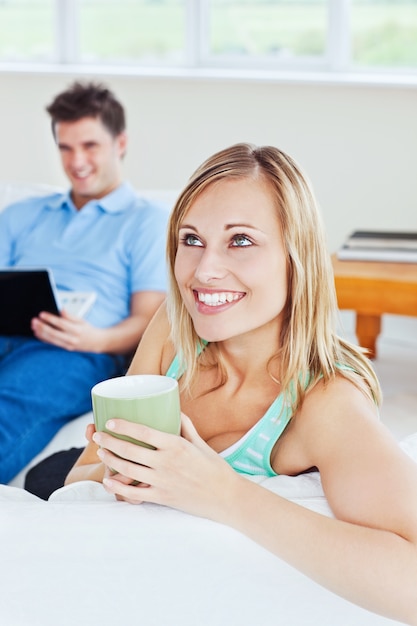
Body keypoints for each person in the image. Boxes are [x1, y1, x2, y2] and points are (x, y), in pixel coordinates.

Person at [65, 143, 417, 624]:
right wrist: (121, 479)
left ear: (296, 257)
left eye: (241, 241)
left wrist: (220, 493)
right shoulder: (174, 327)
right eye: (191, 240)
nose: (203, 271)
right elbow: (75, 479)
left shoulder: (325, 401)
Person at [0, 81, 168, 484]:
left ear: (120, 142)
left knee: (10, 405)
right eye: (65, 147)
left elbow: (148, 319)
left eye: (90, 146)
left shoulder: (147, 221)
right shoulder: (20, 215)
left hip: (79, 352)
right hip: (8, 333)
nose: (77, 161)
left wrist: (94, 340)